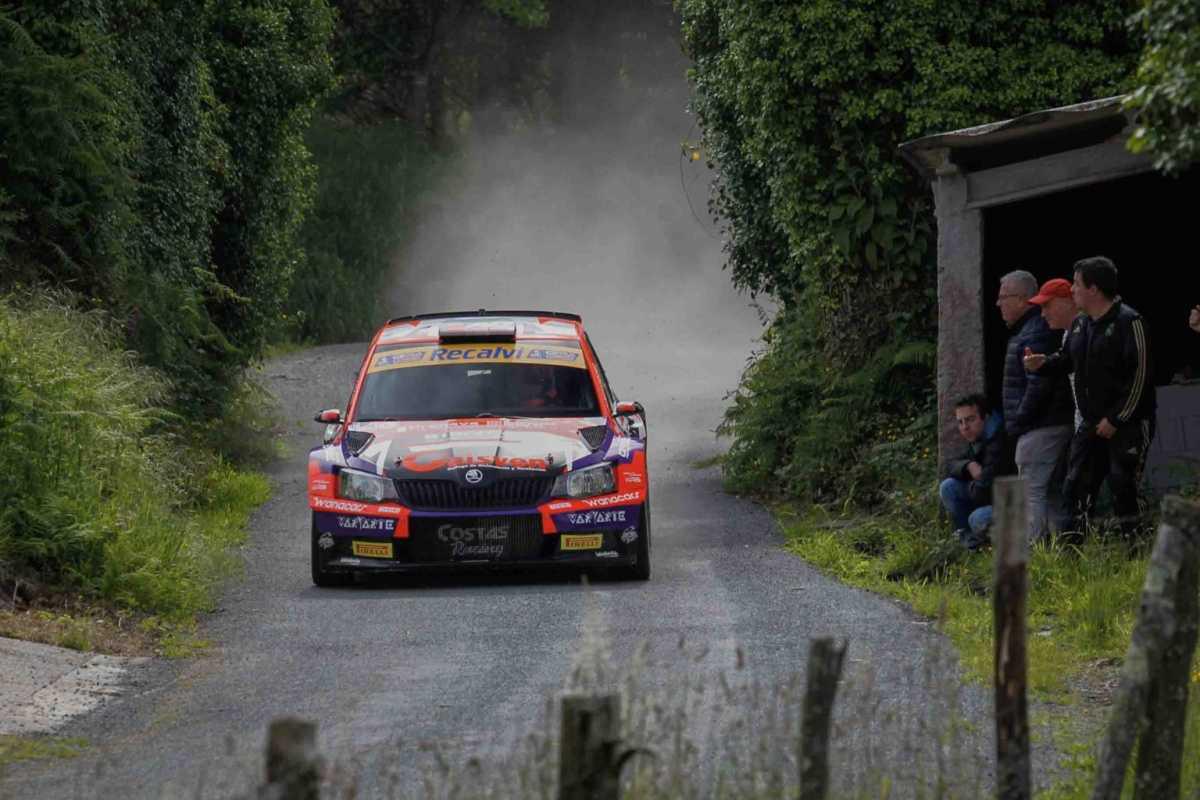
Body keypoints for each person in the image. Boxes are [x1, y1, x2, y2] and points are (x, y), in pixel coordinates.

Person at [1024, 257, 1156, 538]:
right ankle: (1071, 555)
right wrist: (1043, 364)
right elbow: (1068, 359)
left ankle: (1135, 551)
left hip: (1126, 424)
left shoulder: (1129, 321)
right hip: (1090, 423)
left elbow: (1141, 377)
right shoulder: (1081, 324)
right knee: (1075, 488)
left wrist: (1117, 419)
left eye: (1076, 284)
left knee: (1123, 486)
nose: (1072, 290)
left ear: (1094, 289)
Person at [995, 270, 1074, 541]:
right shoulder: (1031, 329)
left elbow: (1039, 384)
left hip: (1040, 426)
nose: (998, 303)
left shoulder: (1035, 332)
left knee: (1032, 492)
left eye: (1003, 297)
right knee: (1049, 491)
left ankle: (1034, 556)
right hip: (1045, 424)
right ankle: (1060, 554)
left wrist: (1018, 420)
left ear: (1021, 299)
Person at [940, 394, 1006, 550]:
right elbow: (949, 465)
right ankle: (970, 541)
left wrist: (973, 483)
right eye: (960, 422)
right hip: (988, 497)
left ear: (985, 417)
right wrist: (968, 466)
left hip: (1010, 505)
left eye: (970, 419)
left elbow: (984, 491)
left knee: (978, 518)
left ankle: (983, 543)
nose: (964, 427)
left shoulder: (999, 440)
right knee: (948, 486)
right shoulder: (978, 438)